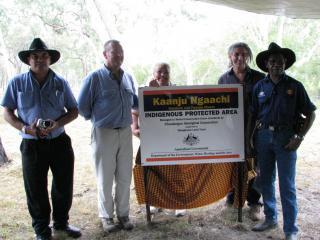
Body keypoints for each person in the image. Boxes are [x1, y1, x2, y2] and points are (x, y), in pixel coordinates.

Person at [1, 38, 81, 240]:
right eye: (35, 56)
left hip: (59, 142)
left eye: (44, 55)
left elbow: (73, 110)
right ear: (28, 60)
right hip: (31, 144)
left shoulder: (60, 82)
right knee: (35, 189)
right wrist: (26, 128)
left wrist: (58, 123)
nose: (40, 59)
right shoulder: (16, 83)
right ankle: (42, 231)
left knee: (63, 185)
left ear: (50, 59)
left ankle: (61, 224)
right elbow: (7, 112)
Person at [250, 42, 316, 240]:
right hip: (263, 137)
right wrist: (250, 139)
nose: (276, 64)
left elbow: (311, 113)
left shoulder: (295, 86)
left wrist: (299, 137)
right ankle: (270, 219)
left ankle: (291, 230)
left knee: (287, 185)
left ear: (285, 63)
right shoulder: (259, 87)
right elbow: (254, 115)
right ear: (267, 65)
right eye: (272, 61)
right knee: (265, 181)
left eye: (280, 61)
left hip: (286, 138)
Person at [77, 40, 138, 233]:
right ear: (105, 55)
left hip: (125, 132)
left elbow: (135, 102)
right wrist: (100, 118)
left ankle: (123, 214)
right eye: (114, 54)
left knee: (124, 175)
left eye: (121, 54)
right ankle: (107, 217)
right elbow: (82, 107)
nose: (119, 57)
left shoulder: (128, 77)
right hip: (104, 132)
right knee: (105, 177)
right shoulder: (94, 78)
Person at [131, 62, 186, 217]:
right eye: (159, 72)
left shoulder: (177, 90)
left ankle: (179, 204)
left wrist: (160, 92)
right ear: (153, 73)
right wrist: (135, 129)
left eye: (166, 72)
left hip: (174, 139)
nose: (162, 75)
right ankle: (156, 203)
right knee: (154, 172)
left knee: (176, 171)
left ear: (170, 74)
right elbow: (134, 112)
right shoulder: (143, 90)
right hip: (152, 140)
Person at [218, 42, 265, 221]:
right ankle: (232, 199)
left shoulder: (260, 78)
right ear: (230, 57)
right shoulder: (224, 79)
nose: (240, 57)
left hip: (255, 129)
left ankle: (254, 203)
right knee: (233, 165)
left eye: (244, 54)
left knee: (254, 165)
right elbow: (220, 108)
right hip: (231, 130)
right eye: (236, 54)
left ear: (249, 57)